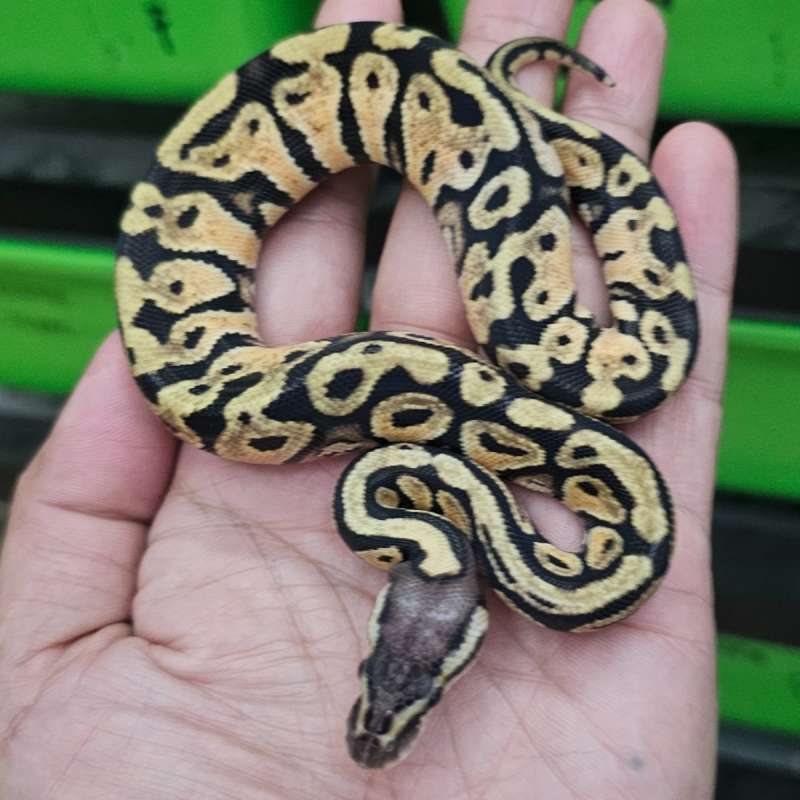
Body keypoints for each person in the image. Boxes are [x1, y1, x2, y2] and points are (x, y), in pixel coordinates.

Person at [0, 0, 737, 796]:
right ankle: (506, 128)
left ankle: (505, 127)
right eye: (420, 694)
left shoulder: (393, 498)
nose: (387, 713)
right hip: (355, 138)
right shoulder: (429, 511)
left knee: (592, 368)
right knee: (591, 366)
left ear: (387, 610)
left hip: (288, 218)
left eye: (390, 687)